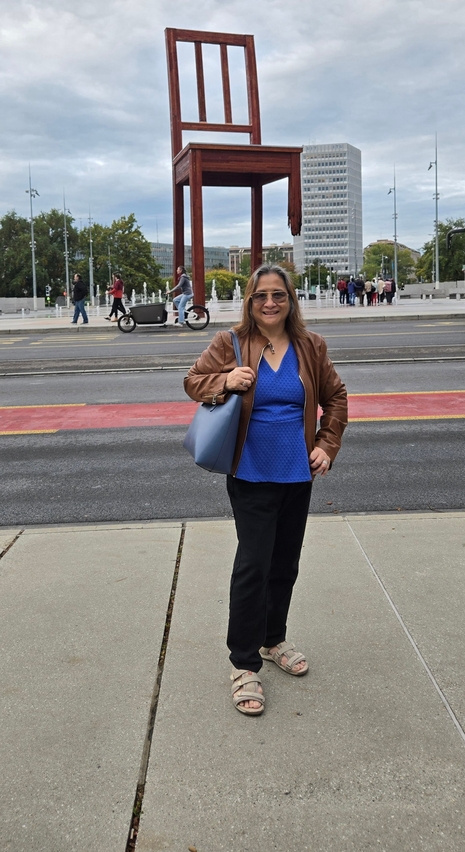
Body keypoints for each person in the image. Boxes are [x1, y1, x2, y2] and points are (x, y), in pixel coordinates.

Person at [184, 264, 348, 716]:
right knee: (253, 565)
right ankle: (243, 663)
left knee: (285, 564)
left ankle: (273, 639)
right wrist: (225, 382)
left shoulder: (310, 346)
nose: (270, 303)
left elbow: (335, 396)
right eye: (261, 296)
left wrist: (326, 444)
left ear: (290, 300)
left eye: (278, 295)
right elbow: (192, 381)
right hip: (251, 472)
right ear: (249, 301)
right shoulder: (230, 343)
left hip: (298, 472)